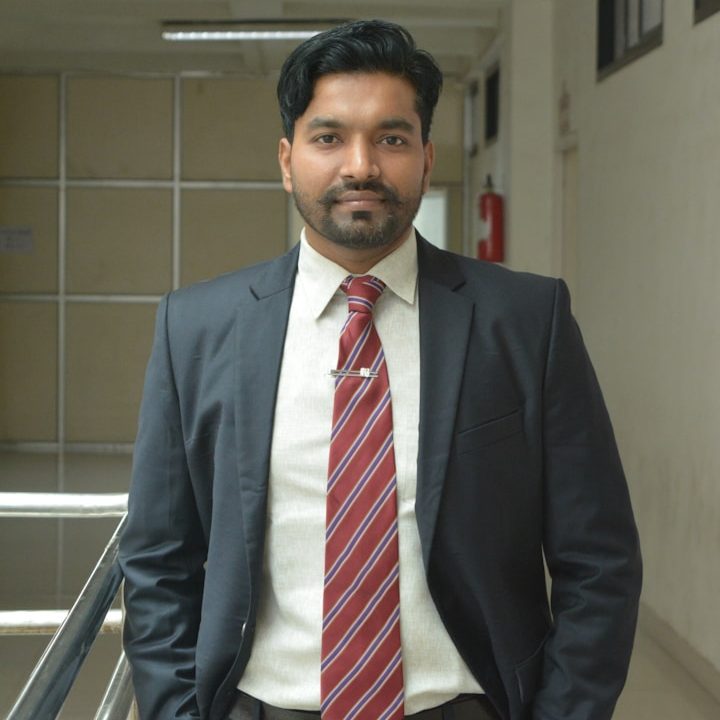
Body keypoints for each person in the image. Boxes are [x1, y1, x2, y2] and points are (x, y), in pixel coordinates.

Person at [119, 19, 642, 720]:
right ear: (287, 160)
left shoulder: (524, 321)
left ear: (426, 159)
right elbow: (158, 559)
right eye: (328, 138)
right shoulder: (197, 328)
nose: (360, 166)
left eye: (391, 139)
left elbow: (599, 560)